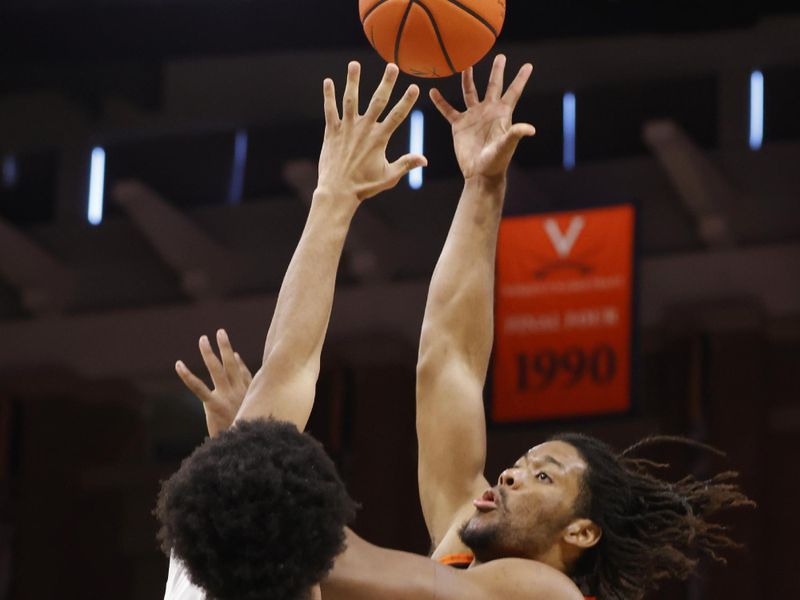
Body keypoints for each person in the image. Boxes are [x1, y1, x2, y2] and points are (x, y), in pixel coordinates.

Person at [165, 56, 754, 600]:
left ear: (580, 532)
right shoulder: (466, 544)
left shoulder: (546, 592)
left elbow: (356, 569)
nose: (510, 473)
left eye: (542, 475)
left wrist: (245, 472)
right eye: (522, 464)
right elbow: (450, 364)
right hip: (237, 543)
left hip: (241, 542)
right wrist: (482, 186)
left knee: (277, 416)